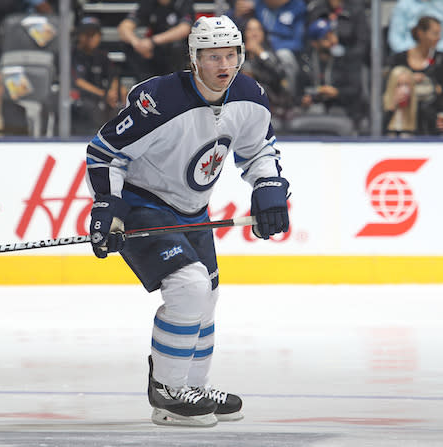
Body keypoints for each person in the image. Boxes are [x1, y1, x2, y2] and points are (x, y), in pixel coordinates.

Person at [85, 16, 289, 427]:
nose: (223, 65)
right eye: (213, 56)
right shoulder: (158, 100)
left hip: (193, 210)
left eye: (230, 55)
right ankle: (168, 391)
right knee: (189, 286)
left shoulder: (249, 96)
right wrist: (108, 204)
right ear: (194, 59)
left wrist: (268, 185)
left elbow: (259, 149)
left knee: (207, 296)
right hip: (146, 203)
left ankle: (192, 387)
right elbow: (105, 152)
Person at [297, 18, 362, 121]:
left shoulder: (347, 59)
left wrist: (337, 92)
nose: (333, 41)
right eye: (326, 38)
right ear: (315, 43)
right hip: (312, 111)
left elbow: (356, 90)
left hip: (342, 109)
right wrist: (304, 99)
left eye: (333, 34)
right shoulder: (306, 62)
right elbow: (297, 91)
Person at [71, 16, 127, 136]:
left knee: (120, 106)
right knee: (90, 107)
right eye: (87, 34)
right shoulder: (73, 55)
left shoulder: (102, 56)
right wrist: (104, 94)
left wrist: (114, 91)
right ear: (80, 36)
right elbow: (79, 82)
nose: (91, 38)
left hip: (102, 97)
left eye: (95, 34)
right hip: (82, 97)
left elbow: (113, 76)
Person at [388, 15, 443, 135]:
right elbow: (389, 89)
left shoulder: (440, 60)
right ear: (420, 33)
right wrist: (409, 80)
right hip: (403, 116)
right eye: (434, 33)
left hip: (432, 119)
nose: (438, 38)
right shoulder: (400, 59)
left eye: (439, 34)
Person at [117, 0, 194, 80]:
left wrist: (152, 41)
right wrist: (137, 43)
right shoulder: (148, 3)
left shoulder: (183, 3)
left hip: (173, 48)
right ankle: (145, 82)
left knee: (177, 46)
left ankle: (176, 82)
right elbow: (124, 27)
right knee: (126, 43)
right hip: (153, 50)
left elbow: (184, 29)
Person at [240, 17, 293, 121]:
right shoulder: (237, 56)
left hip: (270, 103)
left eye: (258, 29)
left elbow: (280, 76)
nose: (254, 33)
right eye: (250, 30)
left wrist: (261, 54)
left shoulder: (269, 55)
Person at [252, 0, 307, 96]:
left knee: (284, 56)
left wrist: (265, 52)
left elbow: (298, 42)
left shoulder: (298, 6)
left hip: (283, 52)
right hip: (262, 48)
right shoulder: (257, 4)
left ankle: (288, 98)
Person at [383, 65, 419, 137]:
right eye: (398, 85)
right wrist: (393, 106)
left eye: (406, 84)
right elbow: (379, 132)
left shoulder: (419, 109)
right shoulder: (381, 108)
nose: (403, 89)